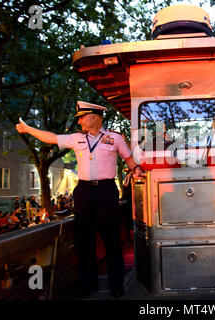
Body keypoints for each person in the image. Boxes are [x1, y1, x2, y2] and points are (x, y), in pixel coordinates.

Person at [16, 100, 143, 299]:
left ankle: (116, 284)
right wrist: (29, 129)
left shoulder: (115, 138)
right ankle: (88, 284)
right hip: (84, 192)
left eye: (82, 118)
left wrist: (135, 169)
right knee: (85, 240)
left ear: (94, 117)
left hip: (107, 191)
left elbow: (128, 158)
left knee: (111, 239)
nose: (80, 123)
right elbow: (51, 138)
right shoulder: (76, 138)